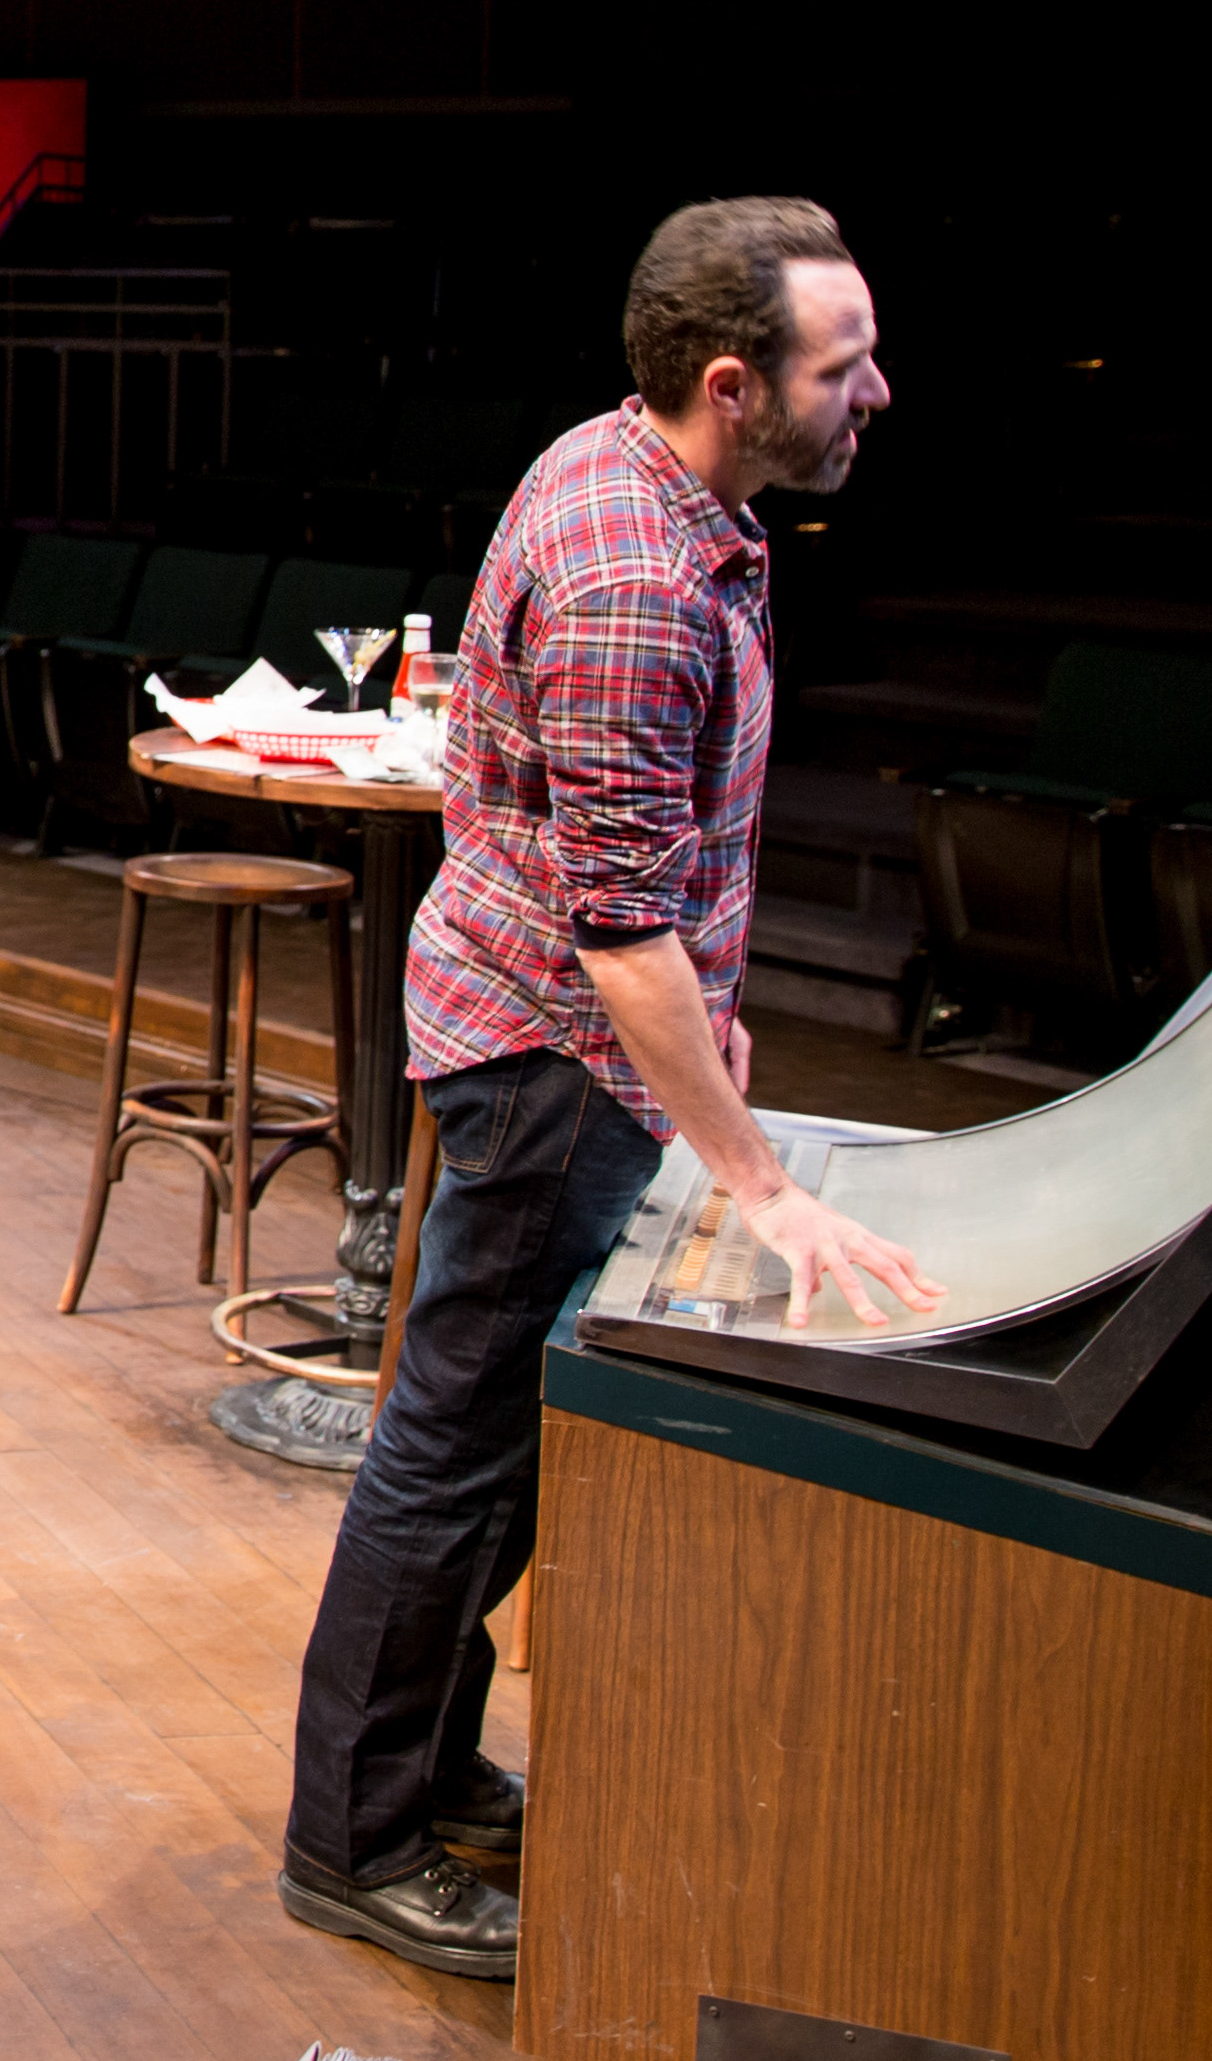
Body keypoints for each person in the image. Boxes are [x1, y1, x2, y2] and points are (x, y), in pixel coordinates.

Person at [277, 196, 941, 1979]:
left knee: (491, 1464)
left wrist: (705, 1030)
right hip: (553, 1065)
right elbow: (618, 929)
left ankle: (417, 1771)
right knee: (450, 1460)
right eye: (843, 364)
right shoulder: (637, 579)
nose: (874, 390)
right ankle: (356, 1841)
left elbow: (641, 889)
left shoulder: (635, 470)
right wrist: (755, 1179)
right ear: (731, 385)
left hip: (567, 1041)